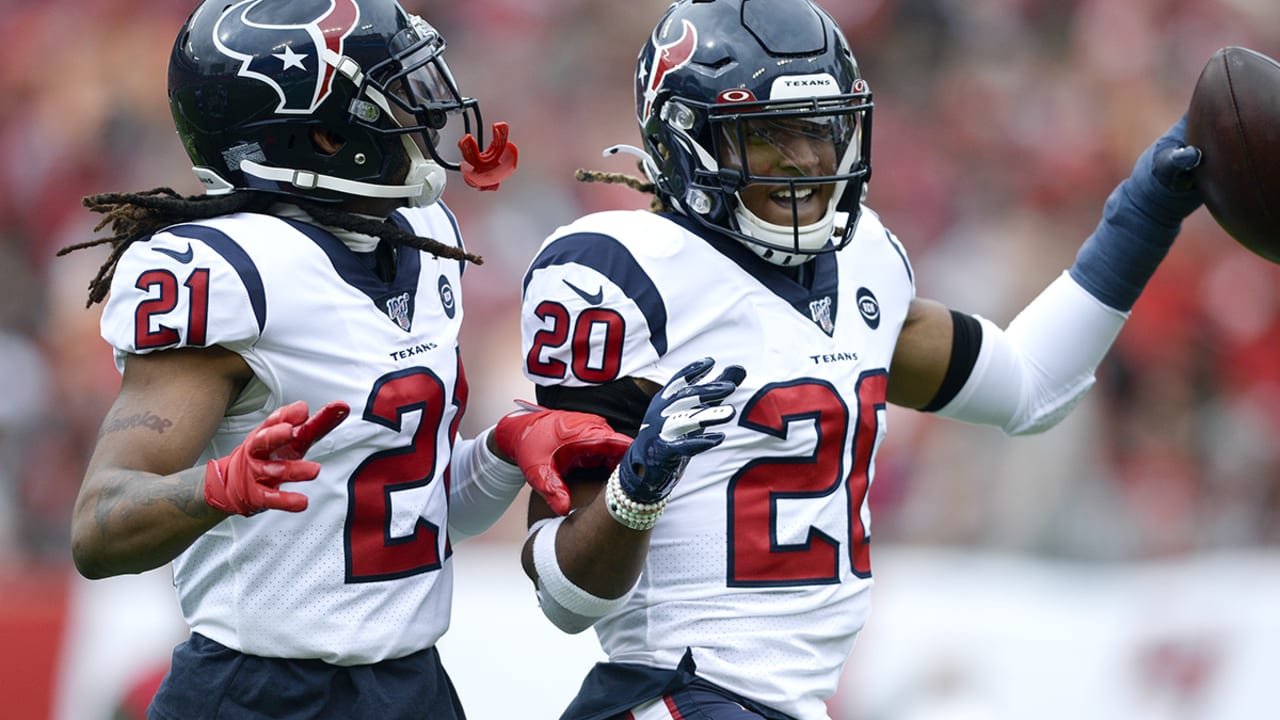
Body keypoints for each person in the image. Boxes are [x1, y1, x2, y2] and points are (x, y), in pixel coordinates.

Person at [513, 0, 1206, 718]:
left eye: (822, 130)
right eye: (770, 135)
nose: (809, 162)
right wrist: (638, 485)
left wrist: (1148, 208)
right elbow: (566, 600)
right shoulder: (619, 276)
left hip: (787, 702)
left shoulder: (862, 261)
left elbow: (1034, 386)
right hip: (672, 692)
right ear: (686, 141)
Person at [61, 1, 732, 717]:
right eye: (394, 95)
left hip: (410, 686)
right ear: (323, 136)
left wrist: (504, 449)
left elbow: (405, 514)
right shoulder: (231, 275)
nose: (425, 111)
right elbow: (99, 528)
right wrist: (218, 486)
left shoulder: (420, 238)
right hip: (259, 694)